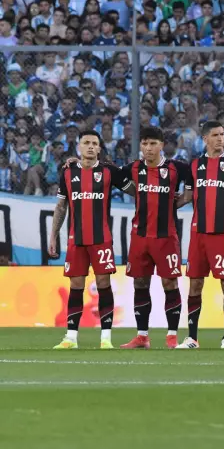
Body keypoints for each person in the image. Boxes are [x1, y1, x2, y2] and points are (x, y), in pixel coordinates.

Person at [49, 130, 134, 349]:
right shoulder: (67, 172)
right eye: (85, 142)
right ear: (79, 146)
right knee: (76, 285)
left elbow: (135, 190)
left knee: (104, 284)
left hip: (101, 239)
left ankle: (106, 338)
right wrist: (53, 235)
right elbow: (61, 206)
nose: (89, 146)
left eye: (94, 143)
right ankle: (70, 338)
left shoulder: (108, 171)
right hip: (76, 240)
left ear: (99, 148)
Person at [118, 127, 193, 350]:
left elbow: (196, 180)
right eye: (144, 144)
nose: (148, 149)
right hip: (140, 236)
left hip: (166, 237)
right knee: (140, 283)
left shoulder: (176, 168)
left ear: (161, 145)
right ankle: (142, 337)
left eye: (153, 144)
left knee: (169, 282)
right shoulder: (132, 169)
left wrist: (180, 200)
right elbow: (109, 175)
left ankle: (171, 336)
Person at [177, 121, 224, 349]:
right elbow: (186, 197)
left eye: (223, 134)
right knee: (195, 284)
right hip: (198, 234)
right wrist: (161, 206)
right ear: (205, 139)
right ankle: (192, 338)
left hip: (222, 234)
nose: (220, 138)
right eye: (215, 135)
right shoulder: (194, 165)